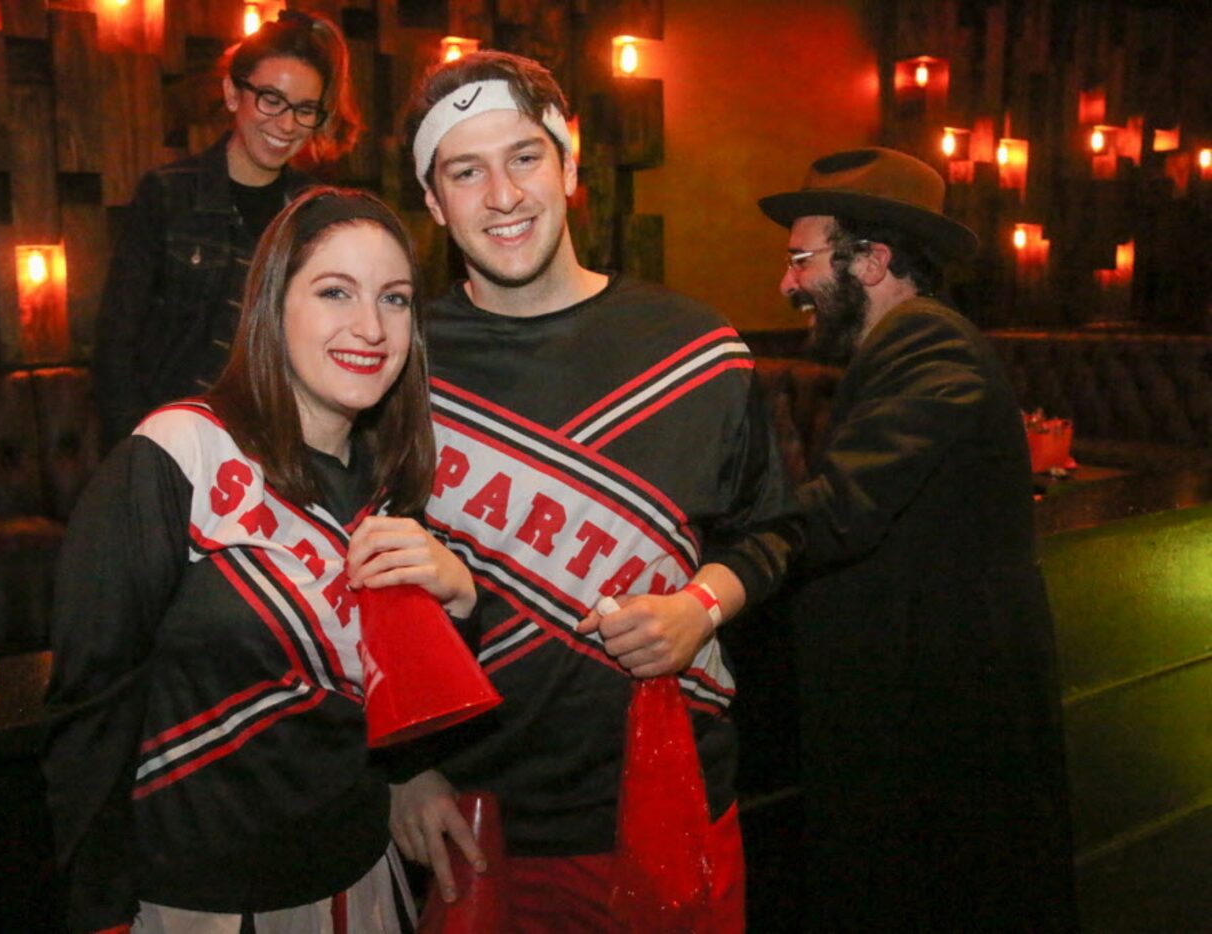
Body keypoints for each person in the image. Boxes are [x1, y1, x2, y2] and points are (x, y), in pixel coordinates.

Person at [389, 50, 799, 930]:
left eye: (524, 158)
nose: (502, 195)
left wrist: (701, 607)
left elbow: (774, 532)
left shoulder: (700, 352)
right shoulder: (394, 365)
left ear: (571, 166)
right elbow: (346, 593)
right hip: (478, 820)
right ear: (433, 201)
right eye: (466, 171)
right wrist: (401, 773)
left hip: (673, 800)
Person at [43, 188, 474, 933]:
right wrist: (99, 909)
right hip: (194, 903)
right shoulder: (175, 456)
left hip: (357, 882)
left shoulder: (389, 478)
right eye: (334, 291)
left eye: (395, 299)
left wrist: (461, 600)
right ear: (273, 304)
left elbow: (390, 695)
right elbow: (90, 712)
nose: (370, 327)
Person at [758, 147, 1078, 930]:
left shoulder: (928, 341)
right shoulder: (899, 347)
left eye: (802, 259)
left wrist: (728, 566)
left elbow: (843, 506)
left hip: (947, 739)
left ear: (871, 261)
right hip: (930, 730)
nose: (787, 283)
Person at [93, 9, 362, 448]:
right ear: (233, 94)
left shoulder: (315, 213)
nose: (287, 123)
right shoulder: (168, 194)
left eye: (304, 109)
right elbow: (116, 342)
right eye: (271, 100)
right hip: (167, 439)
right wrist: (135, 453)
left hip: (273, 447)